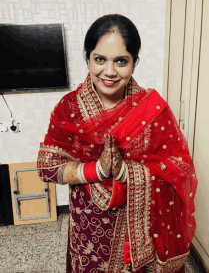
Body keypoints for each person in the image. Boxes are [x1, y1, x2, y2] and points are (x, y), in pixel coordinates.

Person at [37, 14, 198, 273]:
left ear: (134, 63)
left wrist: (125, 171)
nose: (110, 72)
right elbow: (47, 167)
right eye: (100, 59)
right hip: (90, 231)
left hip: (140, 234)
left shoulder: (153, 110)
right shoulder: (69, 108)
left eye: (121, 61)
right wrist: (97, 170)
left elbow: (179, 167)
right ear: (87, 58)